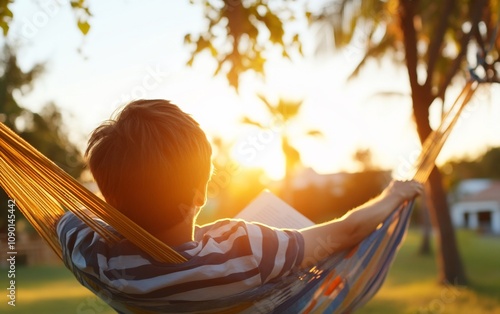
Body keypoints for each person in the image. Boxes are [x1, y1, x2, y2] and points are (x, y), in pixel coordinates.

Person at [57, 99, 423, 311]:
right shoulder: (243, 248)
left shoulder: (101, 261)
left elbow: (64, 216)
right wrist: (393, 194)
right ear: (199, 196)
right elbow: (347, 232)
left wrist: (117, 211)